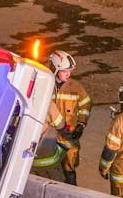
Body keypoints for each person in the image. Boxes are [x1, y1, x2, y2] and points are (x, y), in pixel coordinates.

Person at [30, 51, 91, 185]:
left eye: (70, 71)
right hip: (48, 141)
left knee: (69, 172)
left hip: (69, 141)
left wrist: (81, 124)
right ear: (55, 69)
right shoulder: (45, 86)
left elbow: (86, 105)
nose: (68, 74)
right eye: (64, 71)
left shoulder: (75, 87)